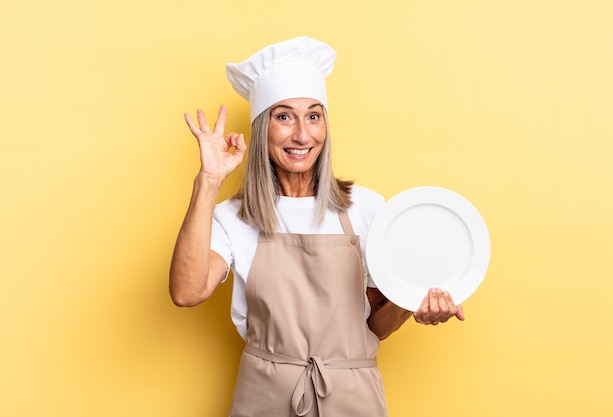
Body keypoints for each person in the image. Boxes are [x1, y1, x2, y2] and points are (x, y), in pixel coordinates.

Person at [169, 36, 464, 417]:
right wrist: (207, 181)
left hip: (352, 397)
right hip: (265, 398)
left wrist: (411, 305)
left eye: (313, 115)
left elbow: (377, 325)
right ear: (262, 129)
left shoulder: (367, 208)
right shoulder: (235, 216)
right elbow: (187, 292)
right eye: (283, 116)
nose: (302, 135)